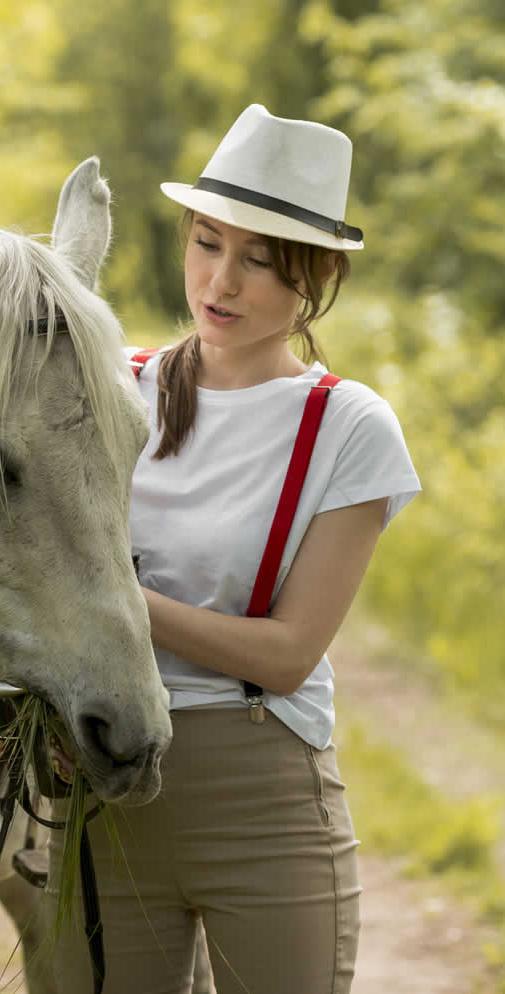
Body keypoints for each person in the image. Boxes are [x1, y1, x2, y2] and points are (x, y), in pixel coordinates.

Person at [48, 104, 421, 994]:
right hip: (102, 791)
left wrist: (115, 606)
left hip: (263, 800)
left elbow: (289, 655)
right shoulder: (113, 390)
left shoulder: (347, 427)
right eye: (208, 242)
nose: (222, 280)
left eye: (259, 259)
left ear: (317, 274)